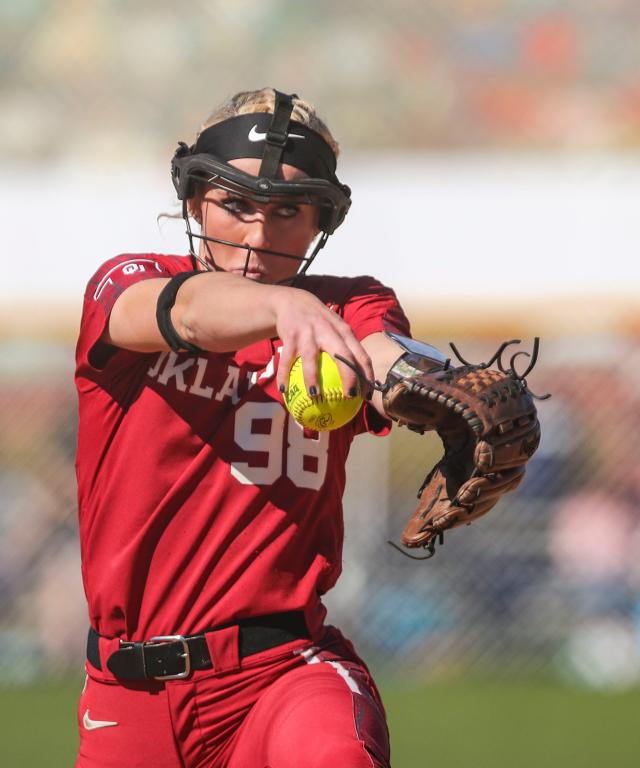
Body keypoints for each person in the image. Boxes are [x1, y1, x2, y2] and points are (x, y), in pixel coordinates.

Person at [74, 88, 413, 768]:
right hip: (124, 695)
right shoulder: (129, 283)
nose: (259, 235)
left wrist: (429, 386)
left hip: (279, 676)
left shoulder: (348, 306)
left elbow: (387, 360)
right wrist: (281, 308)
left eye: (288, 211)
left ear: (321, 219)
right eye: (236, 204)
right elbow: (190, 312)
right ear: (195, 201)